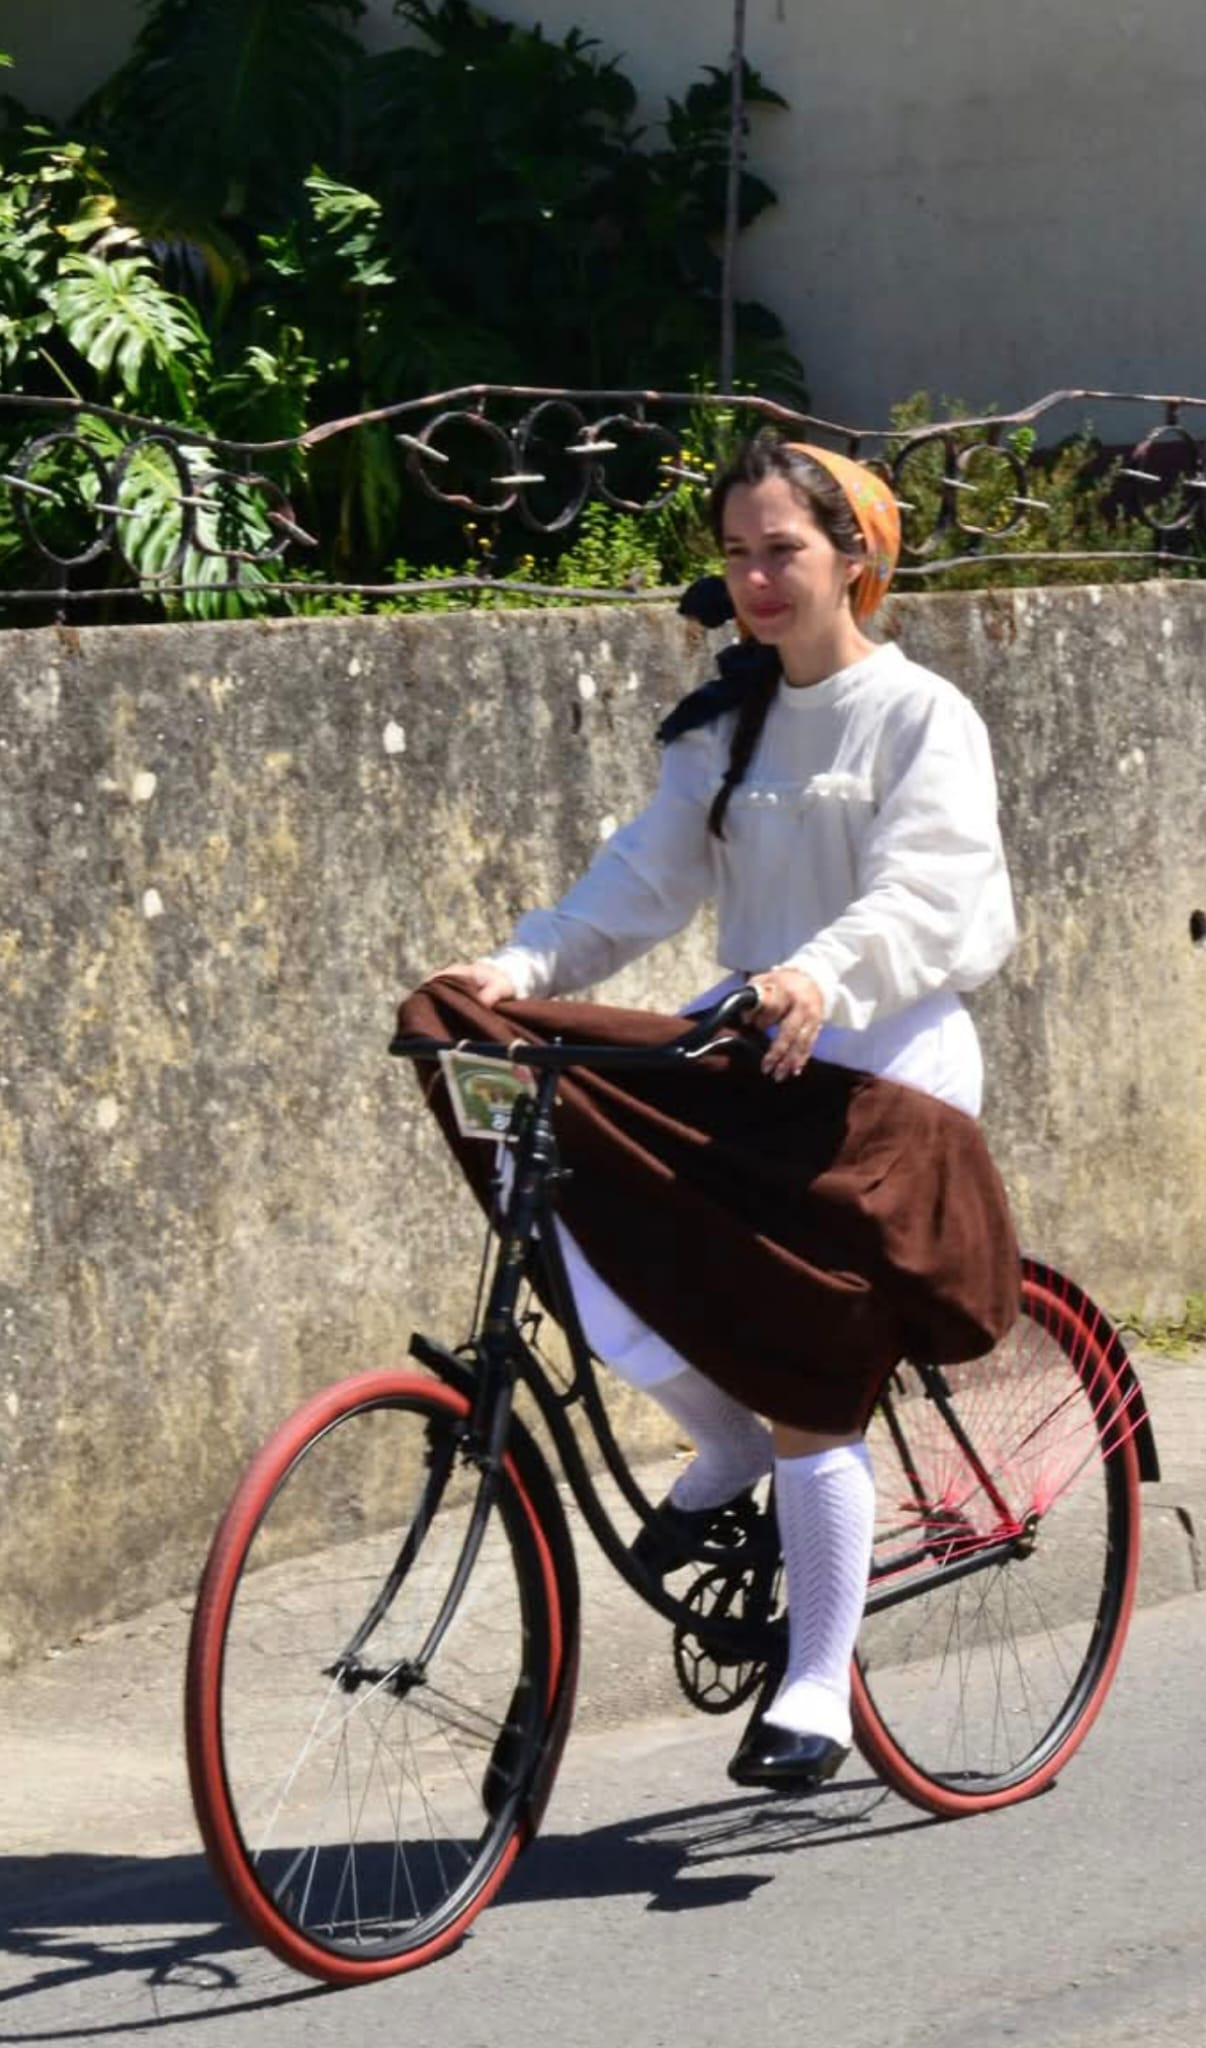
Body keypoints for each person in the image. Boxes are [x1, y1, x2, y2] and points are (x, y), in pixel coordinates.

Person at [406, 429, 1018, 1792]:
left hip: (883, 1053)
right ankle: (724, 1437)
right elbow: (638, 883)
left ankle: (815, 1687)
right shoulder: (725, 725)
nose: (753, 576)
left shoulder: (920, 715)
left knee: (809, 1352)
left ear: (854, 558)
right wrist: (514, 968)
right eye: (735, 552)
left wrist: (820, 967)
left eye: (781, 549)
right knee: (589, 1226)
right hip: (749, 1039)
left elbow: (926, 892)